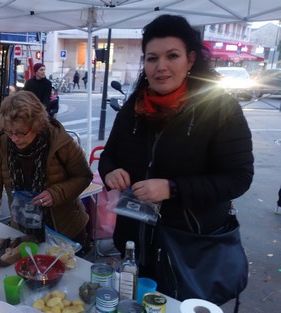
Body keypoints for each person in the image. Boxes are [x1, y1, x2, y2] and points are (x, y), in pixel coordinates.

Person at [98, 15, 253, 296]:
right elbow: (109, 156)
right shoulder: (134, 105)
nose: (161, 67)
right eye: (152, 58)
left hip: (188, 246)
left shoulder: (220, 108)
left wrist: (172, 188)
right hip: (134, 241)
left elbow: (238, 178)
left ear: (190, 59)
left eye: (172, 56)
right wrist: (110, 172)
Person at [0, 91, 93, 250]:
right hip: (23, 231)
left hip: (65, 231)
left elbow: (84, 176)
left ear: (37, 124)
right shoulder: (2, 145)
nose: (14, 138)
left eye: (21, 132)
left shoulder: (60, 142)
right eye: (9, 132)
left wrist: (55, 193)